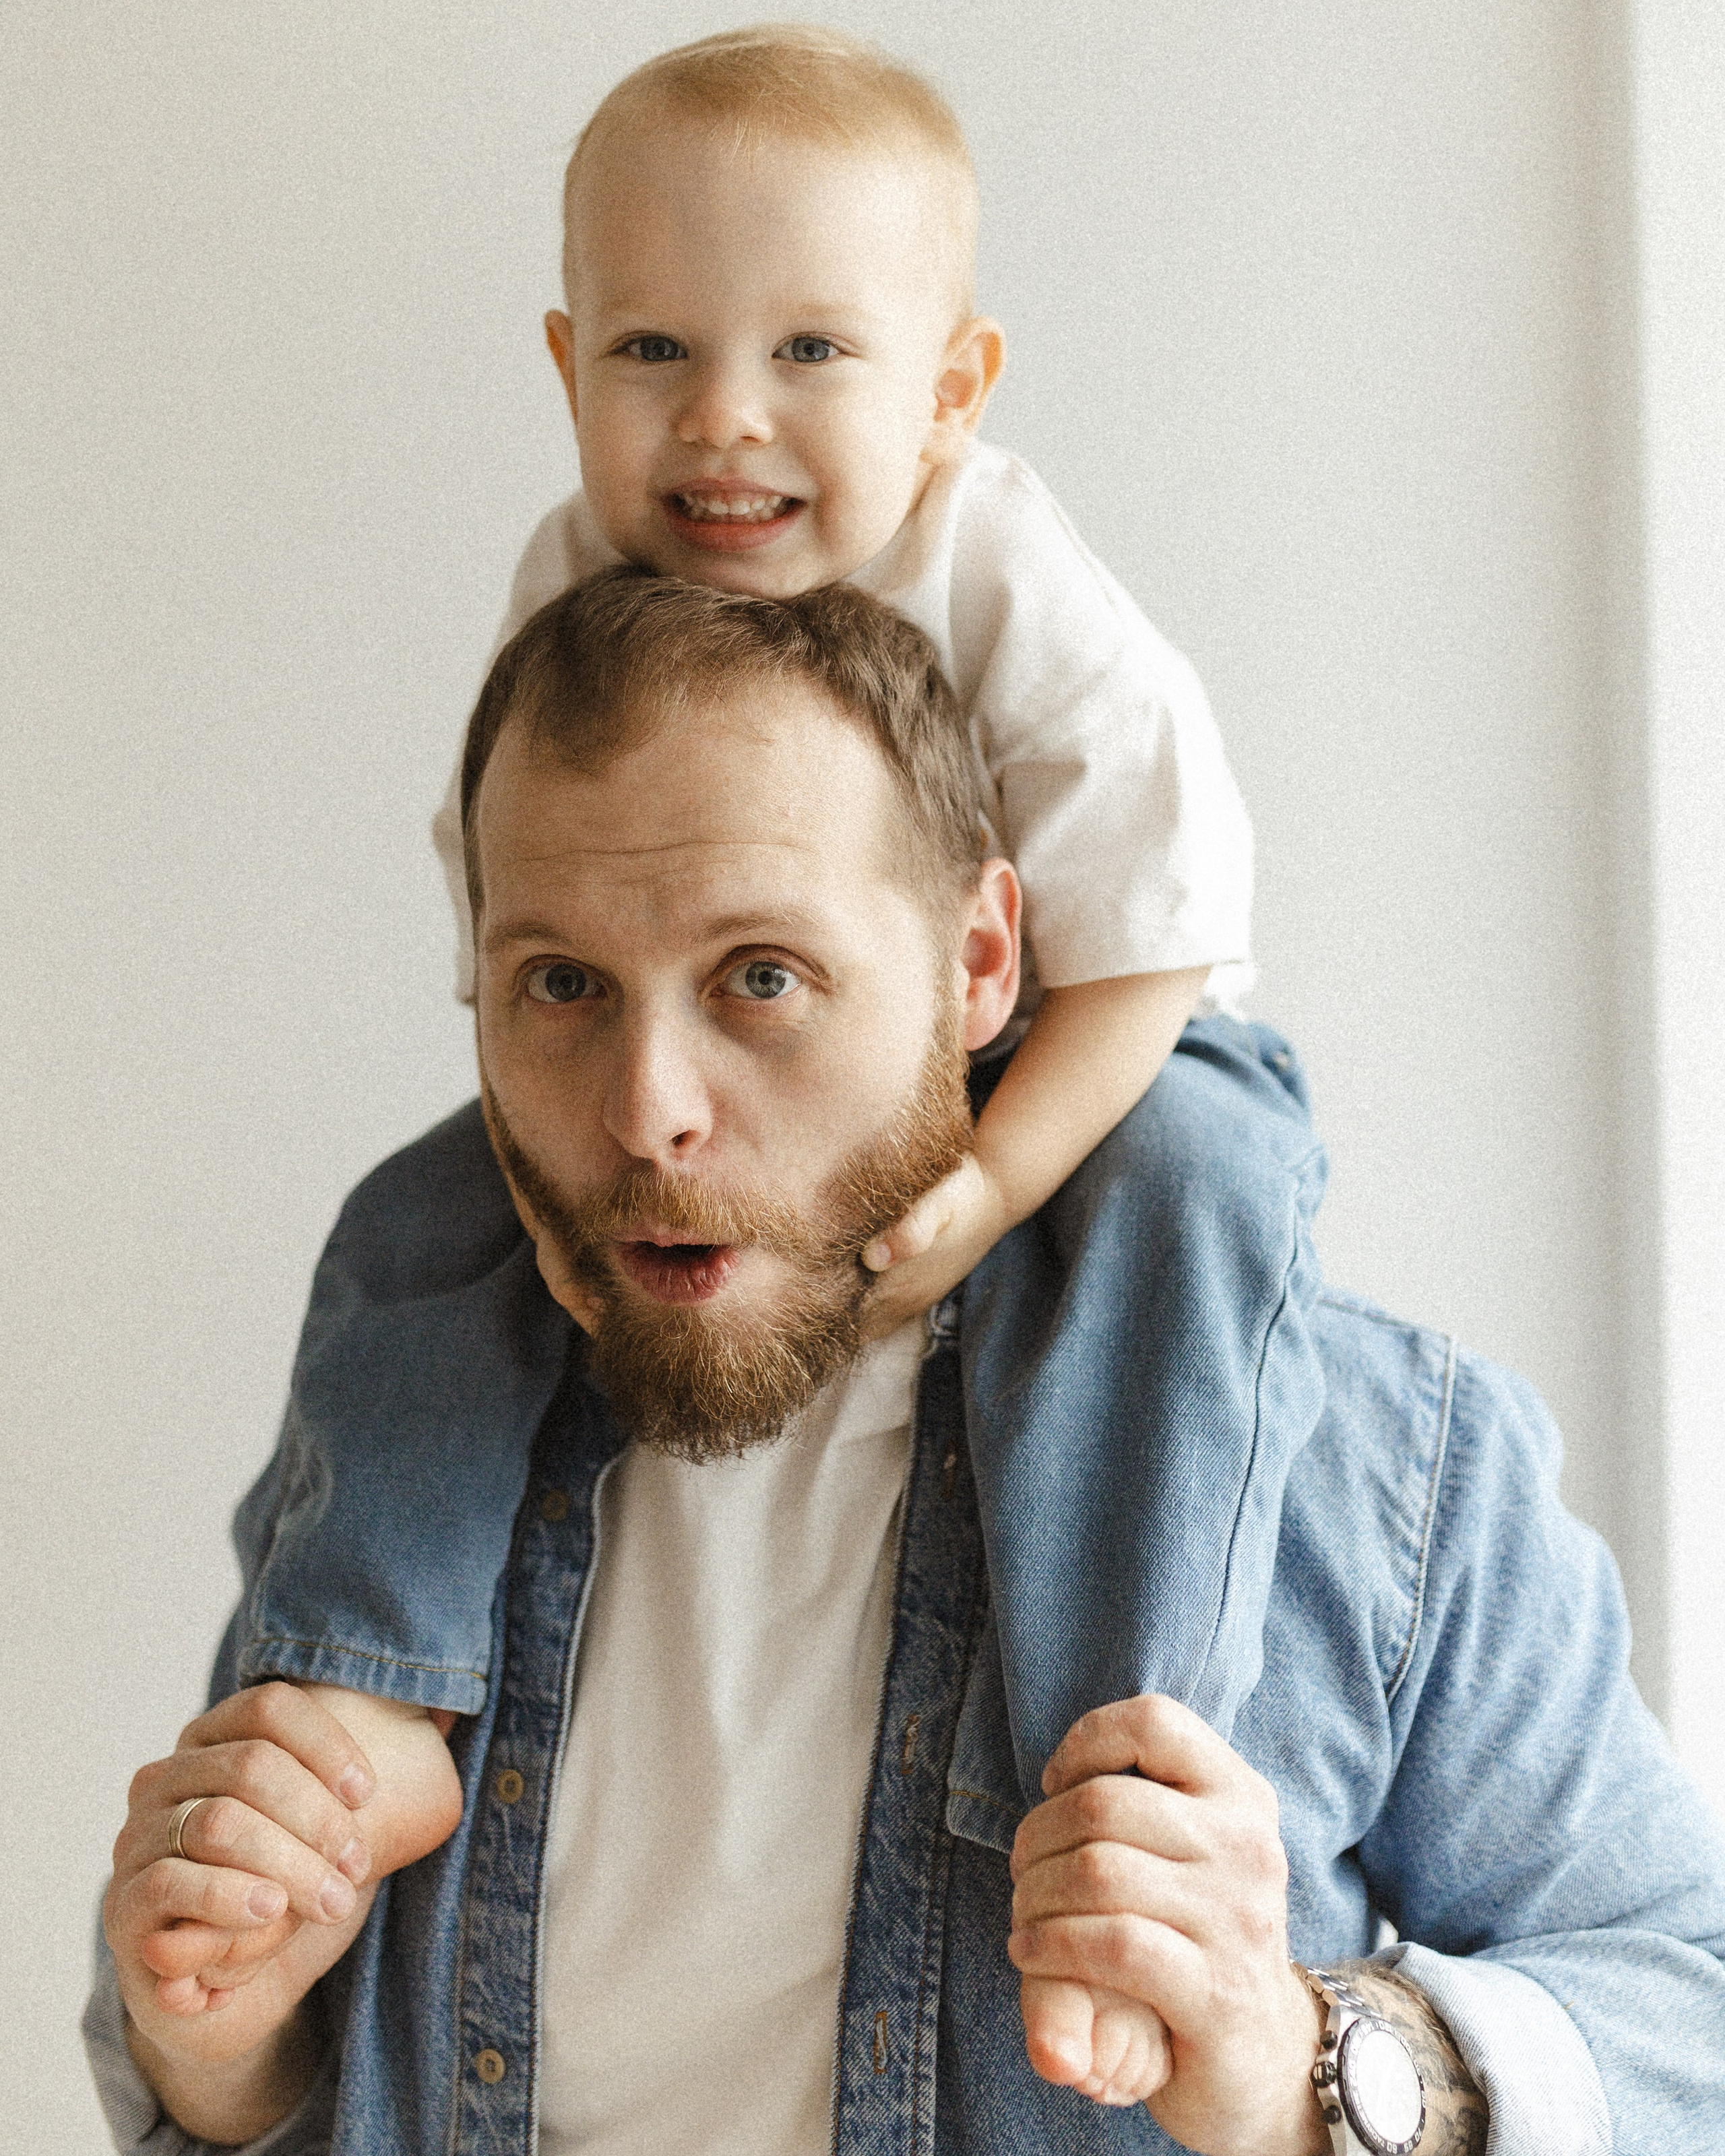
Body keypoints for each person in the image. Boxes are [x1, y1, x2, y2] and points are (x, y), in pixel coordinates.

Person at [90, 573, 1725, 2154]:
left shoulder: (1370, 1464)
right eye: (563, 985)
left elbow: (1689, 2023)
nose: (646, 1102)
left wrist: (1300, 2062)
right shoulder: (407, 1454)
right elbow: (258, 2085)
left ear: (979, 964)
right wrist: (216, 2040)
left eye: (761, 978)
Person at [216, 22, 1323, 1839]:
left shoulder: (1005, 577)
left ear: (952, 390)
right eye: (654, 348)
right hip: (787, 1086)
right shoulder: (575, 583)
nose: (725, 414)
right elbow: (513, 923)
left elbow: (1157, 935)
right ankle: (371, 1686)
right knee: (414, 1224)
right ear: (569, 366)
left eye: (810, 350)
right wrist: (542, 1179)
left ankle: (1129, 1743)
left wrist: (1001, 1177)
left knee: (1202, 1190)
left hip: (1087, 1043)